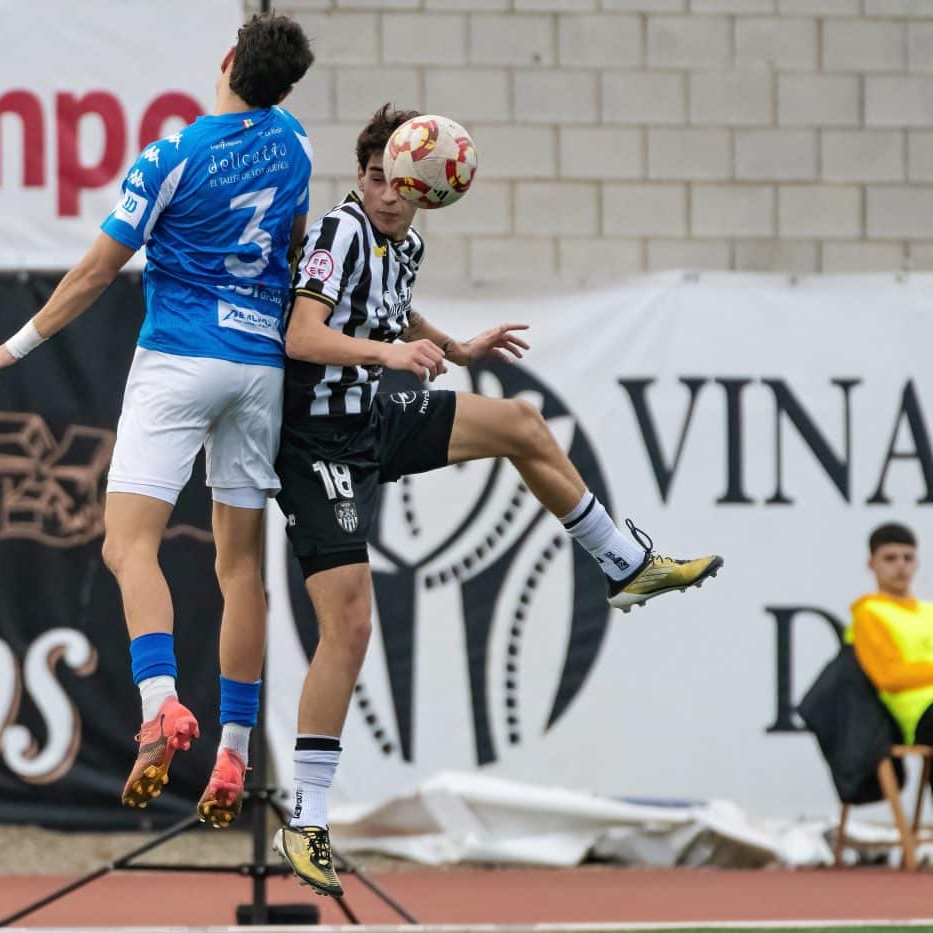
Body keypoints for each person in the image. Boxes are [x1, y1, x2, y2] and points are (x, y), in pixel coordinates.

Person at [270, 104, 725, 897]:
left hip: (372, 419)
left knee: (520, 420)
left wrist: (454, 347)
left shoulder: (403, 238)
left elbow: (390, 307)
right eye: (376, 178)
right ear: (363, 176)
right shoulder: (341, 232)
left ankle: (623, 565)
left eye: (402, 182)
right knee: (349, 624)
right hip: (318, 445)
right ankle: (307, 818)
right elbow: (302, 335)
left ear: (427, 187)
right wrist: (391, 352)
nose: (387, 194)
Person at [0, 13, 315, 826]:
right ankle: (236, 749)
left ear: (225, 60)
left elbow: (92, 274)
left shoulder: (169, 156)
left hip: (180, 361)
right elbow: (292, 244)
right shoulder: (295, 143)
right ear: (286, 88)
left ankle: (159, 703)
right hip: (259, 368)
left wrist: (12, 347)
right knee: (240, 569)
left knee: (128, 542)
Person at [848, 523, 933, 746]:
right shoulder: (869, 614)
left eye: (907, 558)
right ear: (871, 564)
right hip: (918, 714)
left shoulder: (929, 612)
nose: (900, 566)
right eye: (890, 558)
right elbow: (890, 677)